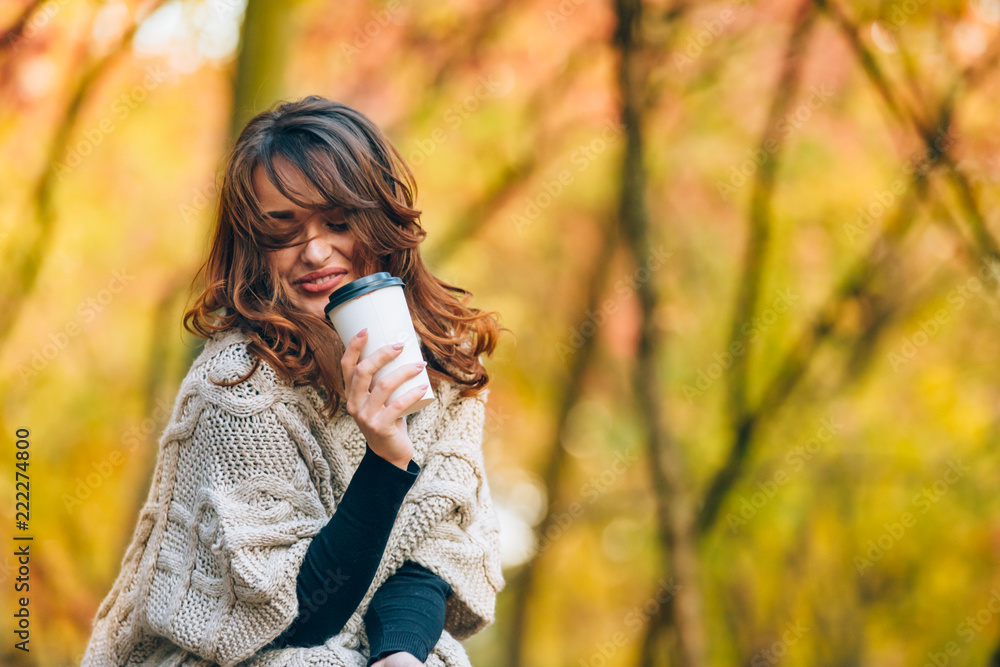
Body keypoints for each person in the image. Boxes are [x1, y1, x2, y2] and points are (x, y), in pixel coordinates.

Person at [80, 95, 508, 667]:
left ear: (379, 219)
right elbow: (293, 615)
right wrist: (384, 460)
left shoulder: (443, 368)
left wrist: (399, 654)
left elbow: (432, 549)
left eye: (338, 221)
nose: (315, 251)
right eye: (283, 229)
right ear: (254, 244)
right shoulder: (237, 385)